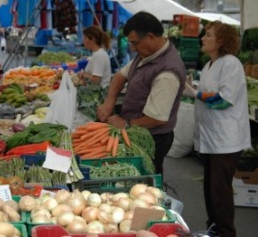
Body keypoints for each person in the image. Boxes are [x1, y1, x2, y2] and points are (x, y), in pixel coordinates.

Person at [97, 11, 186, 175]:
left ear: (151, 37)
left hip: (152, 138)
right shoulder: (146, 54)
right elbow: (119, 76)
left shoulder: (168, 72)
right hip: (135, 130)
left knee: (147, 179)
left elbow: (157, 118)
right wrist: (109, 102)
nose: (132, 47)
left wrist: (126, 124)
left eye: (135, 43)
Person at [184, 21, 251, 237]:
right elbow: (207, 94)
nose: (203, 38)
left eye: (209, 35)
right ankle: (214, 228)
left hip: (226, 139)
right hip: (211, 137)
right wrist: (194, 89)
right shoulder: (209, 65)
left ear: (221, 40)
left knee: (219, 190)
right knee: (211, 189)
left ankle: (226, 232)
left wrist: (194, 94)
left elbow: (223, 100)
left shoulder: (230, 63)